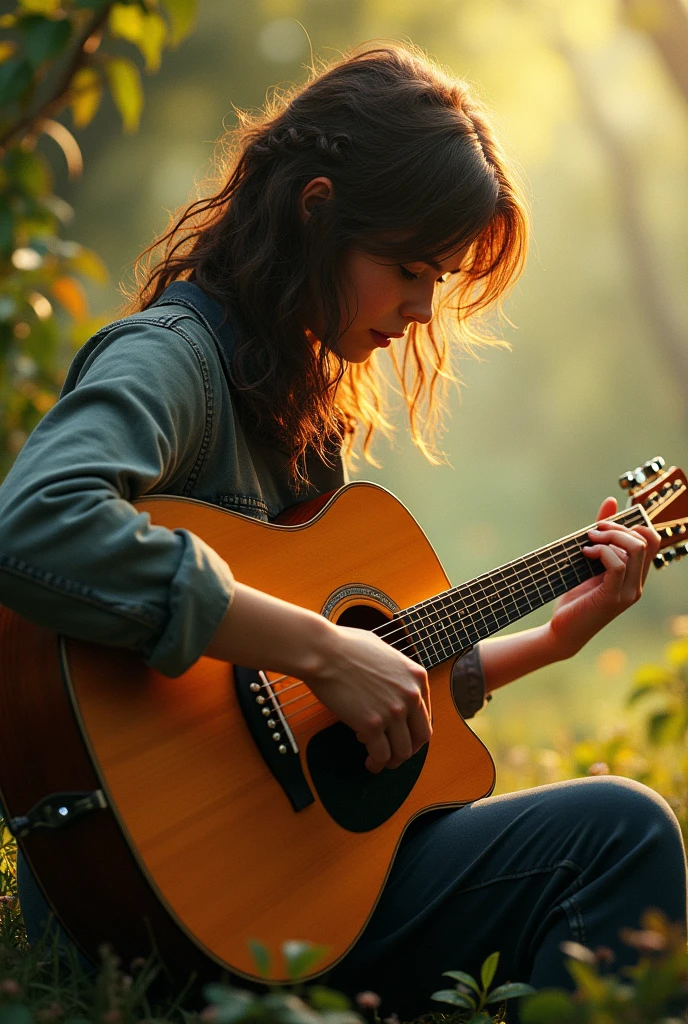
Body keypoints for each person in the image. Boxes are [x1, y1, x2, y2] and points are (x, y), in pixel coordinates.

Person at [0, 41, 685, 1019]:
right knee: (619, 834)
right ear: (315, 208)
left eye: (438, 278)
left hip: (280, 882)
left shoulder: (294, 407)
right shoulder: (176, 363)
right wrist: (322, 645)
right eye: (408, 267)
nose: (420, 309)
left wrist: (553, 638)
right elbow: (33, 525)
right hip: (156, 897)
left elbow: (333, 702)